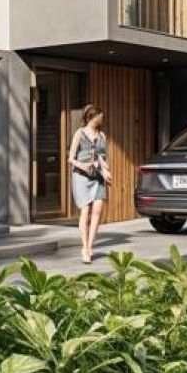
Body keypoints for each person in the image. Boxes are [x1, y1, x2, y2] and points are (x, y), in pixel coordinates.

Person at [68, 105, 110, 264]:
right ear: (92, 117)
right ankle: (85, 247)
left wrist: (106, 170)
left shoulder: (102, 135)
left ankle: (90, 246)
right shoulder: (79, 133)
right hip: (81, 176)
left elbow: (102, 158)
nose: (101, 119)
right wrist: (82, 165)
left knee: (97, 211)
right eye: (100, 117)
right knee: (85, 211)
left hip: (97, 176)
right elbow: (70, 158)